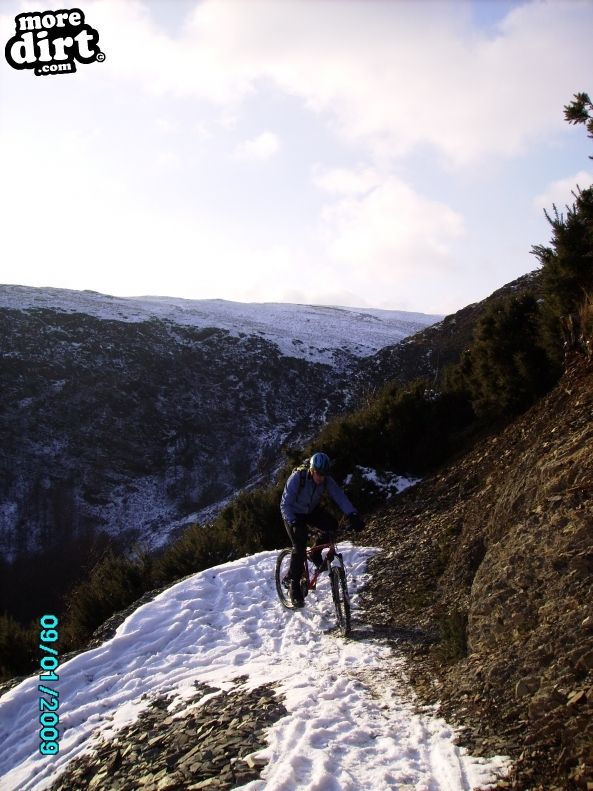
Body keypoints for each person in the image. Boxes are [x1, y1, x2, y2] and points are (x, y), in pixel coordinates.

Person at [280, 451, 364, 608]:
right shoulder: (297, 478)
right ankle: (294, 584)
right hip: (292, 513)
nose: (321, 478)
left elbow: (339, 496)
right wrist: (294, 522)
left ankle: (315, 552)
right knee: (299, 543)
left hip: (310, 510)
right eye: (318, 474)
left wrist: (353, 514)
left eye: (324, 474)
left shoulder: (326, 480)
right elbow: (285, 504)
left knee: (332, 525)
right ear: (312, 470)